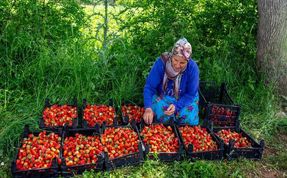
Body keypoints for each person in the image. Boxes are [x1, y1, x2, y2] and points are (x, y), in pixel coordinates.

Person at [143, 38, 199, 125]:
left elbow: (191, 93)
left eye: (182, 63)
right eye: (175, 60)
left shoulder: (192, 68)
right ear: (172, 56)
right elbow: (150, 87)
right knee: (160, 111)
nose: (177, 65)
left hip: (185, 98)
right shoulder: (161, 63)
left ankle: (177, 121)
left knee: (188, 116)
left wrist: (177, 106)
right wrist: (148, 108)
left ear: (187, 61)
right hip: (164, 96)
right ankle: (169, 121)